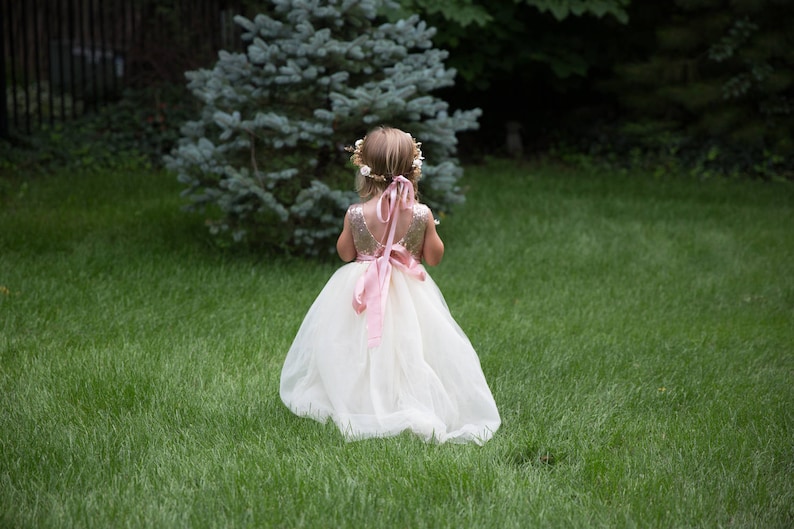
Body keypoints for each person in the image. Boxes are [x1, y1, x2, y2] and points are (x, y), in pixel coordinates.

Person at [279, 126, 500, 444]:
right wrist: (427, 230)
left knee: (357, 343)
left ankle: (362, 397)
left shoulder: (356, 213)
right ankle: (406, 395)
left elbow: (345, 254)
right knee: (411, 343)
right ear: (413, 169)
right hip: (410, 290)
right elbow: (433, 258)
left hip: (363, 285)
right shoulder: (420, 213)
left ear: (364, 169)